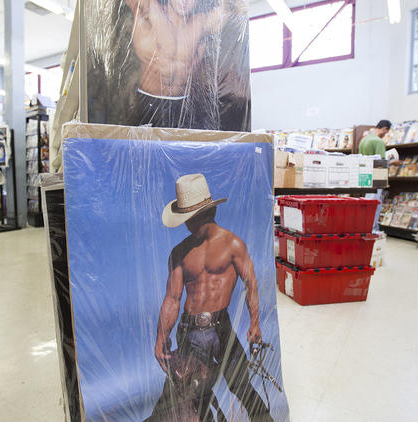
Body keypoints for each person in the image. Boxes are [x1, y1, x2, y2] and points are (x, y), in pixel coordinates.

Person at [145, 173, 273, 422]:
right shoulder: (181, 252)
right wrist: (161, 336)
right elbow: (172, 298)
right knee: (187, 392)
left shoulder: (233, 244)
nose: (184, 225)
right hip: (192, 332)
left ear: (194, 217)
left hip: (222, 326)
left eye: (185, 219)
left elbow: (252, 284)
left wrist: (255, 323)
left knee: (239, 384)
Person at [125, 0, 226, 128]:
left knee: (183, 148)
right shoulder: (151, 9)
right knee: (144, 148)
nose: (185, 1)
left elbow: (228, 11)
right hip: (149, 101)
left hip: (183, 105)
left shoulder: (200, 23)